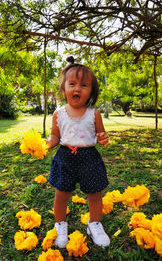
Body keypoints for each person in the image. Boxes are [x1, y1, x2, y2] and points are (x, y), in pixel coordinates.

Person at [46, 56, 110, 248]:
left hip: (89, 158)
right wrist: (48, 143)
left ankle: (94, 224)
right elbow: (55, 136)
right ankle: (60, 225)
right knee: (61, 194)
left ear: (91, 91)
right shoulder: (59, 113)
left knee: (95, 193)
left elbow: (101, 134)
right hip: (65, 157)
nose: (77, 88)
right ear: (64, 88)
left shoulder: (94, 113)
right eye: (72, 84)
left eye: (83, 85)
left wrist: (103, 138)